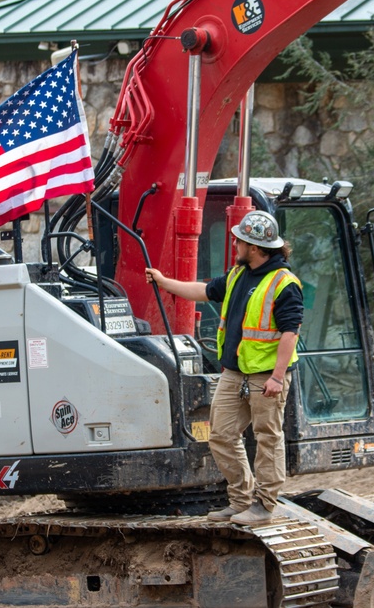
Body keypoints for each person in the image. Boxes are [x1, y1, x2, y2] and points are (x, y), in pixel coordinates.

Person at [145, 210, 302, 527]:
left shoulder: (285, 283)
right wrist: (165, 283)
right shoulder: (237, 275)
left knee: (267, 438)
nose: (235, 244)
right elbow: (203, 290)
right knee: (221, 434)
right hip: (235, 373)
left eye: (240, 241)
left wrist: (276, 377)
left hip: (265, 377)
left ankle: (264, 506)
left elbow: (290, 332)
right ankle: (241, 500)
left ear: (255, 248)